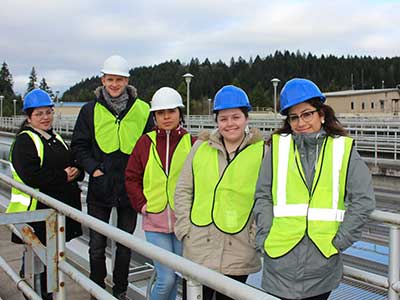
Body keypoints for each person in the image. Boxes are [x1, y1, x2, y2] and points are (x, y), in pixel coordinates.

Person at [254, 78, 376, 300]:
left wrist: (339, 241)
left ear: (321, 114)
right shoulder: (277, 149)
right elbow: (262, 195)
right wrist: (265, 236)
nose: (301, 122)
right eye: (294, 117)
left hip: (322, 264)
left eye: (307, 114)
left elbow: (364, 200)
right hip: (279, 261)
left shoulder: (342, 148)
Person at [71, 55, 153, 299]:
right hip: (100, 189)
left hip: (129, 190)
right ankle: (97, 289)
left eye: (119, 79)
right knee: (96, 246)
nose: (114, 84)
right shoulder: (89, 110)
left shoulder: (143, 109)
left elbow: (151, 146)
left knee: (125, 247)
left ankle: (120, 292)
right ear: (102, 80)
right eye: (110, 79)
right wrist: (94, 168)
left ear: (127, 80)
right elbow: (79, 145)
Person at [174, 85, 265, 300]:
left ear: (246, 118)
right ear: (216, 120)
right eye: (223, 118)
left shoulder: (262, 152)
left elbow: (266, 200)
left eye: (236, 117)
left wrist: (254, 237)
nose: (230, 123)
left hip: (239, 249)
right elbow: (184, 189)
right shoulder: (200, 148)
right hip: (199, 245)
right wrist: (184, 229)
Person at [6, 88, 83, 299]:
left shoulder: (54, 137)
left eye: (48, 112)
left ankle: (36, 287)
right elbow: (32, 176)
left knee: (49, 262)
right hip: (36, 215)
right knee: (40, 265)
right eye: (39, 114)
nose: (45, 117)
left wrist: (77, 171)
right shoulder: (25, 141)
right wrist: (63, 176)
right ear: (29, 117)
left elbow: (69, 163)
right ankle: (35, 292)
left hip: (53, 215)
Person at [125, 87, 194, 300]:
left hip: (183, 222)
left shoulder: (191, 142)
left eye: (171, 112)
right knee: (166, 279)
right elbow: (131, 177)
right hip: (154, 222)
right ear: (154, 116)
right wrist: (143, 205)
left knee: (177, 277)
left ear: (179, 114)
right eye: (160, 113)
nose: (166, 117)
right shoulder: (145, 143)